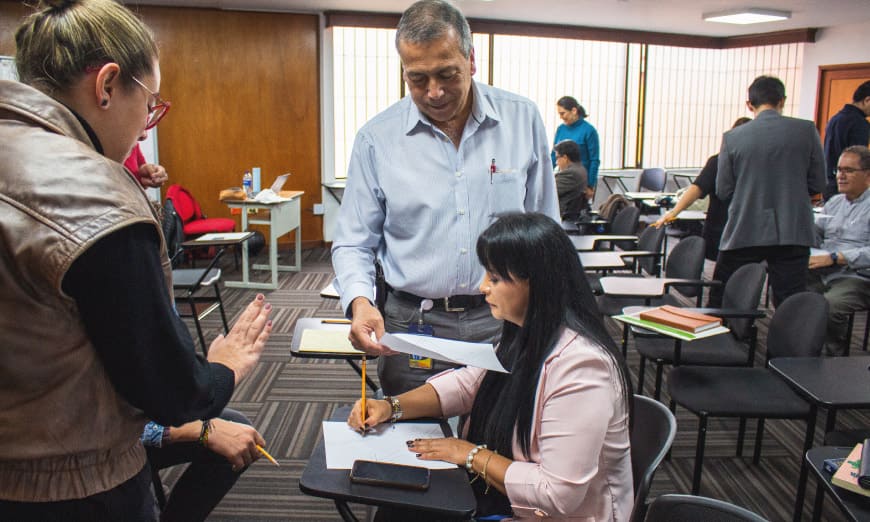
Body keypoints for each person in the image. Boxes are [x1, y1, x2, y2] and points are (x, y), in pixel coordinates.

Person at [0, 1, 272, 519]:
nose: (147, 127)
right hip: (75, 487)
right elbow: (170, 392)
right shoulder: (94, 192)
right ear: (106, 85)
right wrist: (225, 366)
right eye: (150, 104)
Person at [331, 0, 559, 396]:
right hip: (410, 326)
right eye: (418, 79)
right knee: (410, 442)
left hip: (502, 319)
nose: (434, 92)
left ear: (471, 60)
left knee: (500, 439)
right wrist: (361, 302)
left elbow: (545, 227)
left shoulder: (522, 119)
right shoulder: (376, 139)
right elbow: (353, 241)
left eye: (447, 74)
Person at [348, 212, 634, 521]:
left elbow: (557, 494)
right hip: (508, 501)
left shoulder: (584, 367)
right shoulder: (525, 334)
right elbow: (471, 384)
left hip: (554, 514)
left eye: (495, 278)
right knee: (399, 507)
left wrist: (469, 454)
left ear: (536, 283)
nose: (483, 286)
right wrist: (391, 407)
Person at [710, 75, 827, 307]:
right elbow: (818, 184)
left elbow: (723, 190)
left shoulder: (732, 138)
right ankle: (787, 343)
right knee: (790, 300)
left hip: (745, 226)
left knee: (724, 294)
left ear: (749, 104)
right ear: (782, 100)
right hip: (793, 228)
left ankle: (725, 338)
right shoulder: (806, 130)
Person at [653, 117, 751, 261]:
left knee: (729, 274)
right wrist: (674, 212)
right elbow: (696, 189)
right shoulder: (719, 162)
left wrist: (674, 211)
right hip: (726, 229)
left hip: (732, 230)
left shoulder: (722, 161)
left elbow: (696, 189)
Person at [143, 409, 261, 522]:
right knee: (229, 442)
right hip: (130, 443)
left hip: (143, 412)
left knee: (237, 429)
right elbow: (127, 428)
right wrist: (203, 430)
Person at [807, 145, 870, 355]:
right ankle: (801, 351)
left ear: (868, 175)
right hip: (825, 270)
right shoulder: (834, 202)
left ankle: (833, 358)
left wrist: (838, 257)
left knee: (830, 306)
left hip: (858, 276)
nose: (840, 176)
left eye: (848, 171)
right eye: (838, 170)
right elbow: (818, 236)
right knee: (789, 288)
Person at [822, 81, 870, 200]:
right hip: (848, 185)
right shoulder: (859, 123)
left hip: (829, 182)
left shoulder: (835, 118)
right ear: (867, 100)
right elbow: (858, 158)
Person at [551, 96, 600, 195]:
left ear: (574, 110)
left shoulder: (589, 130)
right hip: (565, 179)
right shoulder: (561, 129)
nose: (561, 117)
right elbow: (553, 156)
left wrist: (590, 185)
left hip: (580, 181)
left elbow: (594, 160)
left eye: (563, 113)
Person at [553, 139, 589, 220]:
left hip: (560, 216)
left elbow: (549, 191)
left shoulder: (571, 173)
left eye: (557, 158)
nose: (556, 162)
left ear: (565, 157)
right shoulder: (580, 169)